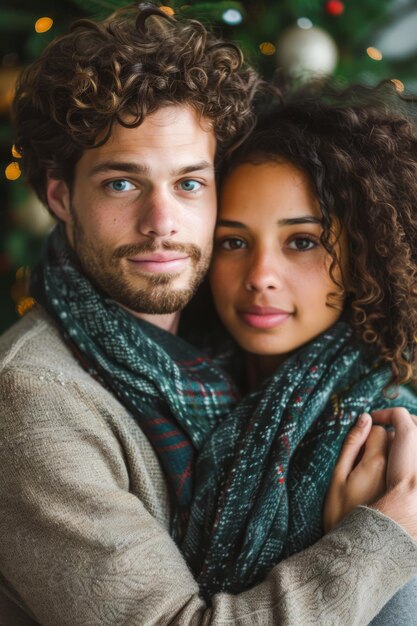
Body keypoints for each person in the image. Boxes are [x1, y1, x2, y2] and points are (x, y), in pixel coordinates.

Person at [0, 6, 416, 625]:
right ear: (61, 196)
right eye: (122, 183)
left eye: (189, 183)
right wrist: (381, 538)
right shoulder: (34, 398)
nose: (162, 223)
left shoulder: (224, 351)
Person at [176, 83, 417, 621]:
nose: (260, 277)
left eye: (302, 241)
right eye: (232, 242)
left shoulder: (393, 436)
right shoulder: (174, 390)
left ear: (363, 251)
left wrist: (366, 541)